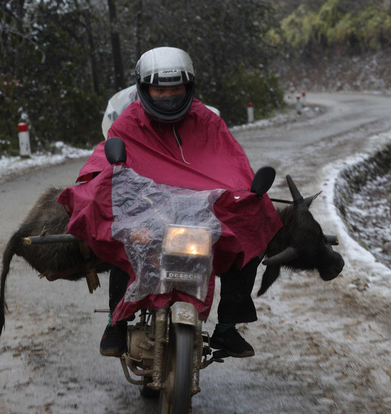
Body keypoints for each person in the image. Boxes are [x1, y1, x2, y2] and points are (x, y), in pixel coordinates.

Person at [78, 47, 281, 358]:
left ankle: (227, 328)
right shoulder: (127, 124)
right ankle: (115, 321)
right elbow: (110, 168)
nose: (168, 96)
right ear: (144, 89)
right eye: (160, 89)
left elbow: (231, 165)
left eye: (176, 88)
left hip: (201, 214)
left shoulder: (209, 121)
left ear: (189, 87)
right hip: (148, 212)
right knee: (127, 242)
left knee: (250, 234)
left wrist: (247, 195)